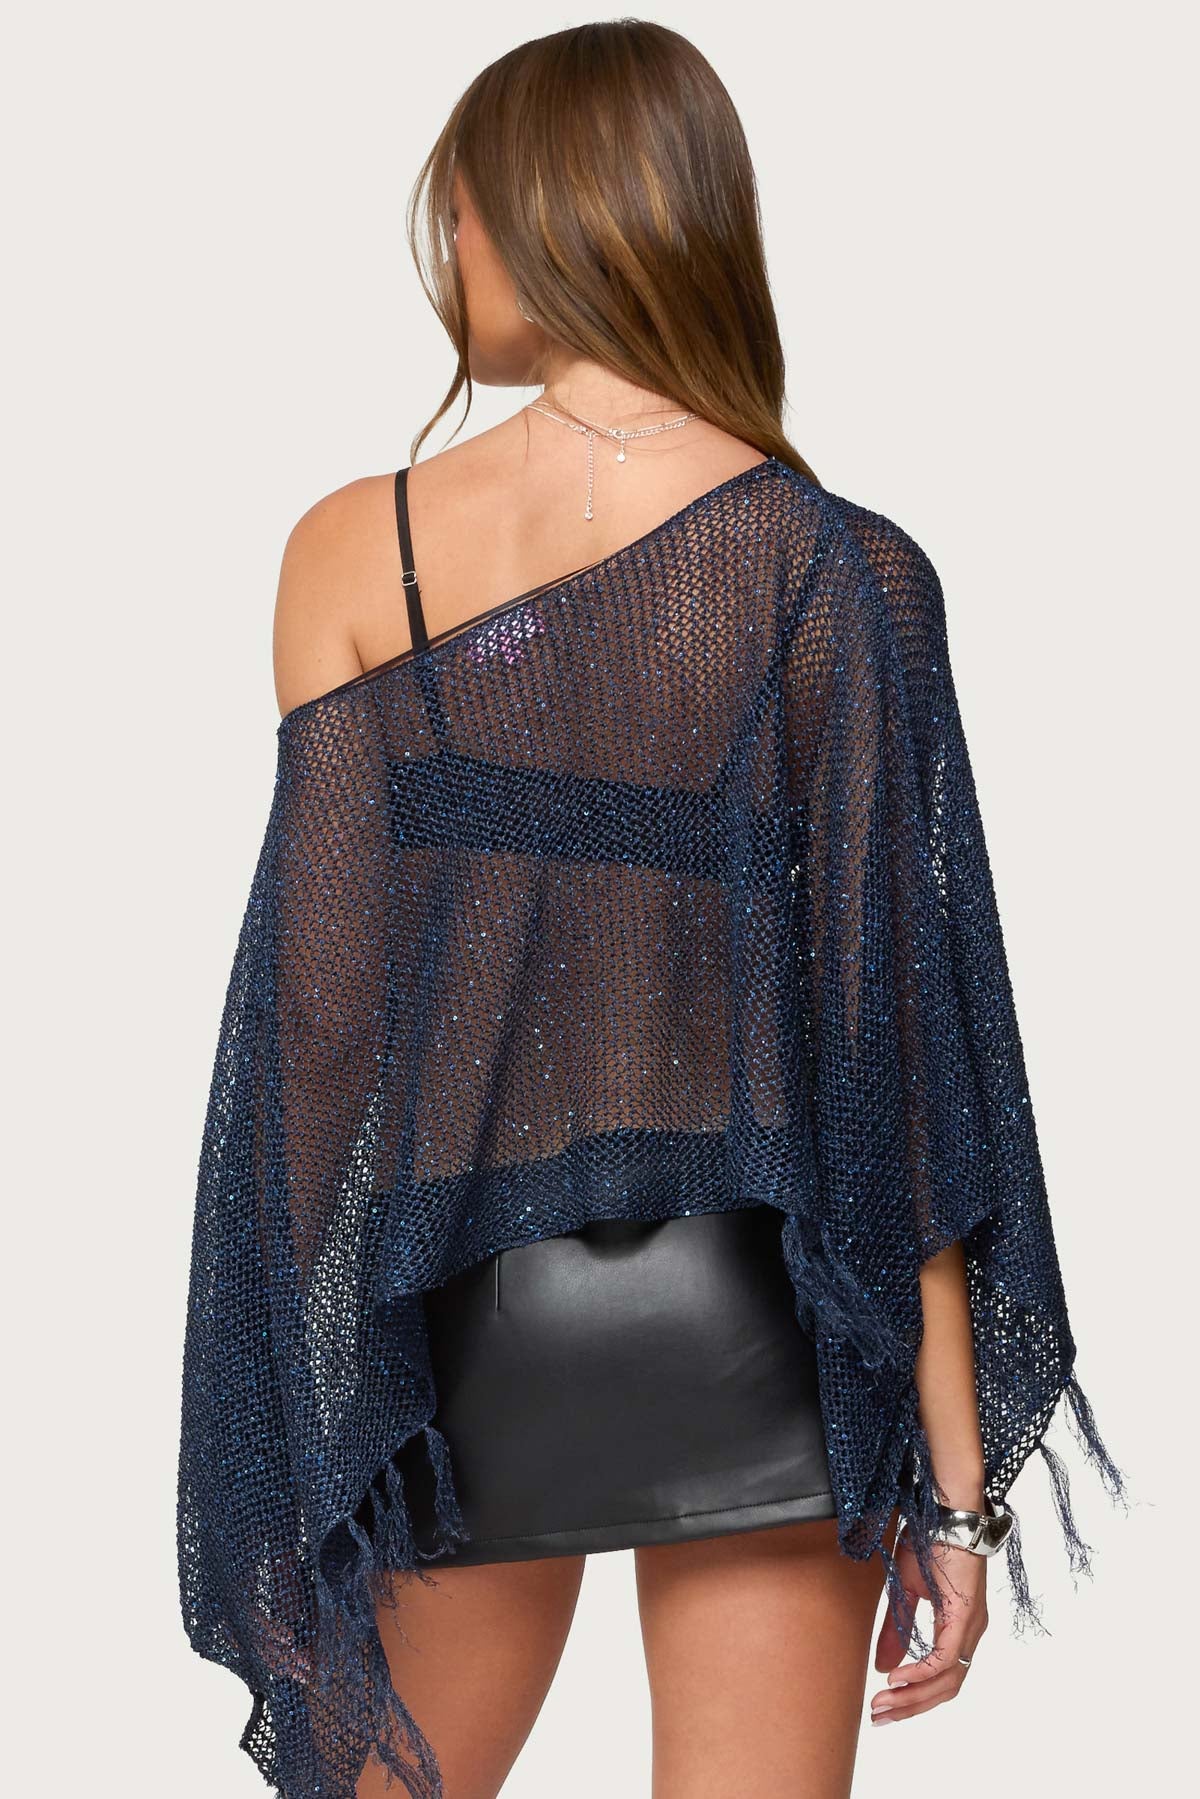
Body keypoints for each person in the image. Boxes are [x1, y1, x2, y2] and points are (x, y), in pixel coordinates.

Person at [178, 21, 1129, 1799]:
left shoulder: (352, 549)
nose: (449, 255)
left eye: (460, 212)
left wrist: (307, 1436)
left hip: (455, 1341)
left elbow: (317, 1038)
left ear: (546, 213)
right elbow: (894, 1062)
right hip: (775, 1337)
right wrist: (954, 1486)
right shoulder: (840, 569)